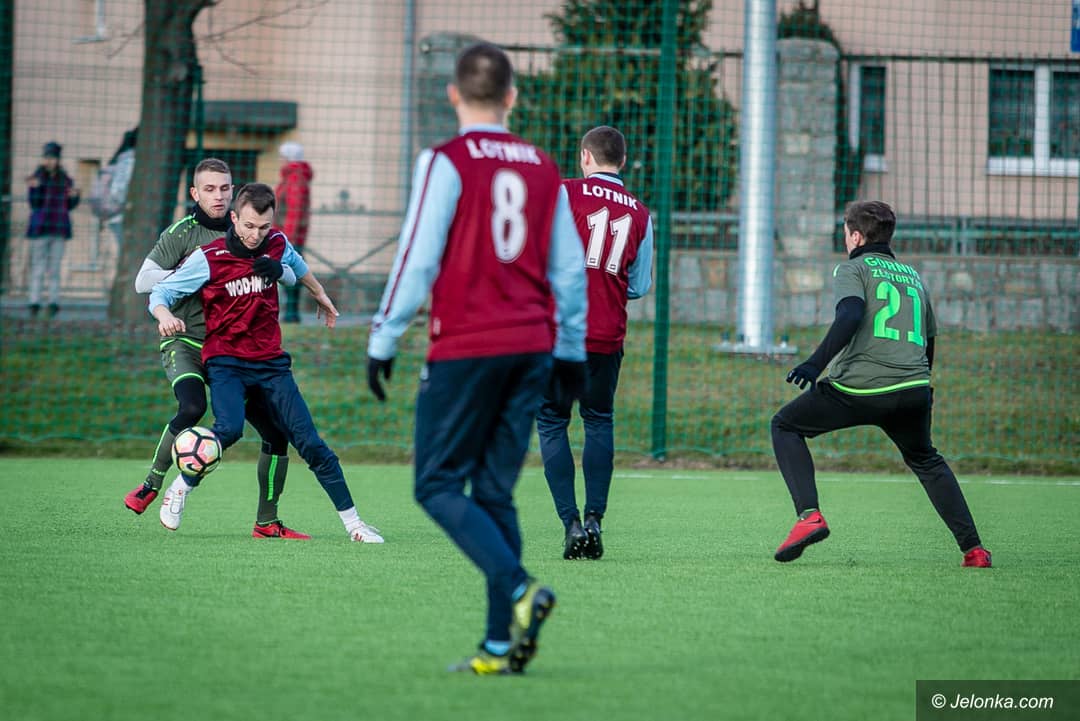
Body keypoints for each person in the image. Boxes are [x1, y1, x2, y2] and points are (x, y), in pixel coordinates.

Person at [366, 43, 586, 675]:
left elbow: (418, 256)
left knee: (436, 484)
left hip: (467, 346)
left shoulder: (445, 159)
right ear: (512, 96)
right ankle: (497, 646)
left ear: (454, 95)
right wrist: (571, 353)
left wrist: (384, 338)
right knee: (493, 491)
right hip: (532, 348)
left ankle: (520, 589)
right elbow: (570, 271)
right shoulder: (544, 166)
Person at [148, 182, 384, 543]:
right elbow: (161, 292)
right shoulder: (208, 258)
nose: (256, 235)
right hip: (226, 362)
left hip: (272, 364)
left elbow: (298, 266)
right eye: (248, 226)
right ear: (233, 219)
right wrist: (164, 314)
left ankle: (354, 525)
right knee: (229, 429)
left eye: (263, 227)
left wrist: (319, 295)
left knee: (310, 443)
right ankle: (181, 486)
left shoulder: (276, 242)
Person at [770, 200, 992, 568]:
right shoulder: (912, 276)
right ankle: (975, 550)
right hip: (914, 388)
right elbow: (929, 339)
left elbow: (850, 313)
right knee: (926, 460)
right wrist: (922, 382)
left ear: (856, 237)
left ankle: (809, 516)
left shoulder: (852, 268)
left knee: (785, 426)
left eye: (846, 233)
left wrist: (814, 364)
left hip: (861, 389)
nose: (846, 240)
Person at [124, 158, 308, 540]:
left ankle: (267, 522)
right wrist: (198, 273)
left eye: (225, 188)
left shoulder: (249, 230)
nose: (218, 196)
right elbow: (144, 282)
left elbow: (290, 266)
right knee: (192, 407)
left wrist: (300, 283)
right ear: (195, 193)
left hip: (233, 351)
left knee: (277, 433)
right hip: (187, 340)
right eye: (209, 189)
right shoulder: (182, 234)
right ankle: (152, 484)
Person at [535, 126, 653, 561]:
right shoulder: (641, 213)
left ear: (585, 156)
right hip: (606, 334)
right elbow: (638, 286)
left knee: (552, 421)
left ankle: (570, 524)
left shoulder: (562, 193)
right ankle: (594, 520)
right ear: (622, 161)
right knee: (599, 420)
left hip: (558, 333)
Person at [25, 141, 80, 319]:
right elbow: (34, 203)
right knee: (38, 268)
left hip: (59, 228)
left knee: (54, 269)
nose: (49, 161)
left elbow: (69, 205)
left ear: (57, 159)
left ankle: (53, 303)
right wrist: (35, 188)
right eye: (47, 157)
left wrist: (75, 197)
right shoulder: (37, 178)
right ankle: (34, 303)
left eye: (52, 158)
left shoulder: (65, 180)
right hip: (40, 228)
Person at [275, 141, 312, 323]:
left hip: (289, 235)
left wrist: (286, 238)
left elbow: (294, 211)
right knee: (292, 270)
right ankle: (290, 312)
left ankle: (291, 313)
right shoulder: (293, 176)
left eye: (282, 157)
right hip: (289, 234)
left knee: (291, 271)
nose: (280, 160)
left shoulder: (294, 178)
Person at [104, 127, 138, 250]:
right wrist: (128, 204)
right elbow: (118, 190)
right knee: (129, 250)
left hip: (116, 215)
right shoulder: (129, 161)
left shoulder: (118, 159)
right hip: (123, 214)